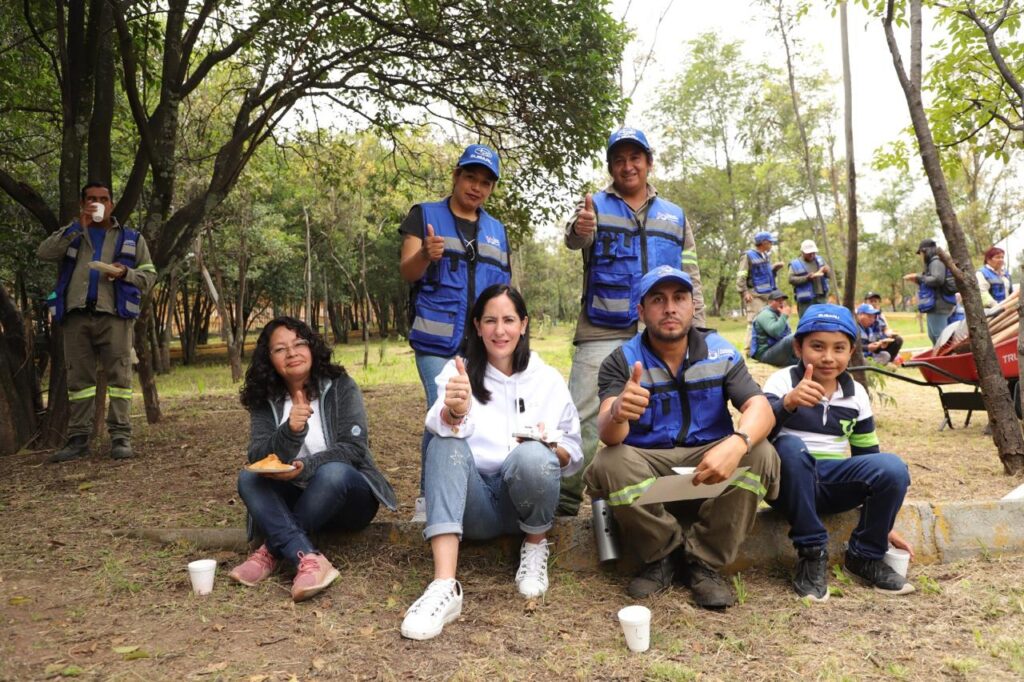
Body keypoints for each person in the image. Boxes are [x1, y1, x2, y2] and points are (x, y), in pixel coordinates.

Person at [583, 265, 779, 608]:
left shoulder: (721, 351)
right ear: (641, 312)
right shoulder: (622, 360)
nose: (670, 308)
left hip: (708, 461)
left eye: (679, 298)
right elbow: (608, 435)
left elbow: (760, 408)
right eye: (657, 300)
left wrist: (737, 443)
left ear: (693, 306)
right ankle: (665, 555)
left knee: (761, 453)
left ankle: (703, 562)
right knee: (609, 461)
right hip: (648, 463)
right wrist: (618, 412)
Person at [400, 285, 583, 640]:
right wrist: (455, 411)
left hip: (525, 505)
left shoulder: (546, 379)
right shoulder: (458, 373)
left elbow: (573, 454)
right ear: (477, 326)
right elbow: (436, 424)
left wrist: (549, 447)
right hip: (476, 506)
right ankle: (444, 586)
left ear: (524, 324)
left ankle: (534, 549)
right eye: (490, 321)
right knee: (443, 442)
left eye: (509, 320)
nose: (500, 331)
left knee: (533, 455)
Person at [560, 126, 704, 517]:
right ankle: (564, 502)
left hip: (661, 328)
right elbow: (575, 238)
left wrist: (699, 326)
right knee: (584, 414)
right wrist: (580, 228)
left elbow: (690, 274)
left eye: (635, 158)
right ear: (610, 167)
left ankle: (664, 500)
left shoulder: (674, 215)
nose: (628, 166)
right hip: (602, 326)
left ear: (648, 162)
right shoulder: (594, 206)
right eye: (619, 160)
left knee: (665, 412)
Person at [229, 317, 397, 602]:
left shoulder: (341, 386)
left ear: (312, 347)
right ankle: (308, 558)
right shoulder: (265, 398)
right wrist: (290, 432)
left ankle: (271, 550)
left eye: (299, 344)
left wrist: (305, 468)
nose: (291, 353)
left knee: (333, 473)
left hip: (347, 499)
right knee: (248, 477)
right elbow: (257, 457)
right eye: (280, 349)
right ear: (269, 359)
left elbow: (354, 449)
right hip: (296, 500)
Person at [762, 304, 914, 601]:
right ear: (798, 347)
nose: (828, 357)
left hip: (832, 483)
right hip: (788, 484)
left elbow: (866, 456)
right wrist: (788, 403)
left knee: (893, 467)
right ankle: (811, 553)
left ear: (851, 351)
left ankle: (865, 556)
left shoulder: (855, 393)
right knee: (790, 447)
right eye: (817, 346)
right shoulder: (781, 382)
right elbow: (759, 436)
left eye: (839, 348)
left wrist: (883, 523)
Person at [398, 144, 511, 520]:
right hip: (436, 343)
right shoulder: (424, 215)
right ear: (456, 176)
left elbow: (503, 292)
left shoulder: (496, 231)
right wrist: (425, 256)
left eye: (485, 182)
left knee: (473, 414)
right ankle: (428, 500)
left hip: (481, 345)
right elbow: (407, 271)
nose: (476, 187)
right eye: (470, 177)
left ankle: (464, 491)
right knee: (443, 410)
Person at [37, 181, 158, 462]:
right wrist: (76, 227)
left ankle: (121, 438)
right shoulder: (74, 234)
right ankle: (78, 440)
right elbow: (44, 253)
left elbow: (150, 276)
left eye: (103, 198)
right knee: (79, 380)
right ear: (83, 204)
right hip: (76, 317)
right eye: (91, 199)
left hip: (114, 316)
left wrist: (125, 273)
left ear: (111, 204)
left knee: (120, 378)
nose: (97, 203)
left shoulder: (131, 237)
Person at [903, 238, 956, 344]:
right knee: (934, 336)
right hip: (937, 304)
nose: (921, 257)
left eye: (920, 253)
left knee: (940, 338)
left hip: (938, 305)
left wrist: (919, 277)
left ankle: (943, 359)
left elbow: (937, 279)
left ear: (925, 251)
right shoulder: (937, 261)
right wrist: (918, 279)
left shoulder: (936, 261)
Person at [738, 231, 783, 352]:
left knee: (768, 321)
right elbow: (741, 275)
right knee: (754, 321)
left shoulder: (765, 256)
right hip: (754, 295)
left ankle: (763, 349)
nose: (772, 244)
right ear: (763, 243)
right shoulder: (748, 255)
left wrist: (774, 269)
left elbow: (764, 275)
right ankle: (748, 350)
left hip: (767, 294)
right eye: (770, 242)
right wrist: (744, 292)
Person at [750, 290, 799, 367]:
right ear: (769, 302)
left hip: (776, 350)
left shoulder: (778, 313)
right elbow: (775, 332)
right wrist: (784, 316)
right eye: (778, 300)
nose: (781, 302)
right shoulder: (765, 314)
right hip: (765, 354)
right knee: (792, 338)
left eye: (782, 300)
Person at [788, 239, 830, 318]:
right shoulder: (795, 264)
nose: (812, 255)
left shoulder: (820, 260)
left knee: (823, 321)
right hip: (805, 300)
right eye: (809, 253)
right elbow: (791, 279)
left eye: (813, 253)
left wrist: (827, 271)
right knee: (806, 321)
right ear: (802, 252)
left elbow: (829, 275)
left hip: (821, 298)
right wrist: (807, 278)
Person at [863, 292, 903, 361]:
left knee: (898, 339)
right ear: (865, 302)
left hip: (879, 342)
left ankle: (887, 361)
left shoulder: (880, 315)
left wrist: (888, 334)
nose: (873, 303)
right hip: (869, 344)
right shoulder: (862, 316)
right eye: (871, 301)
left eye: (875, 301)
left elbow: (886, 329)